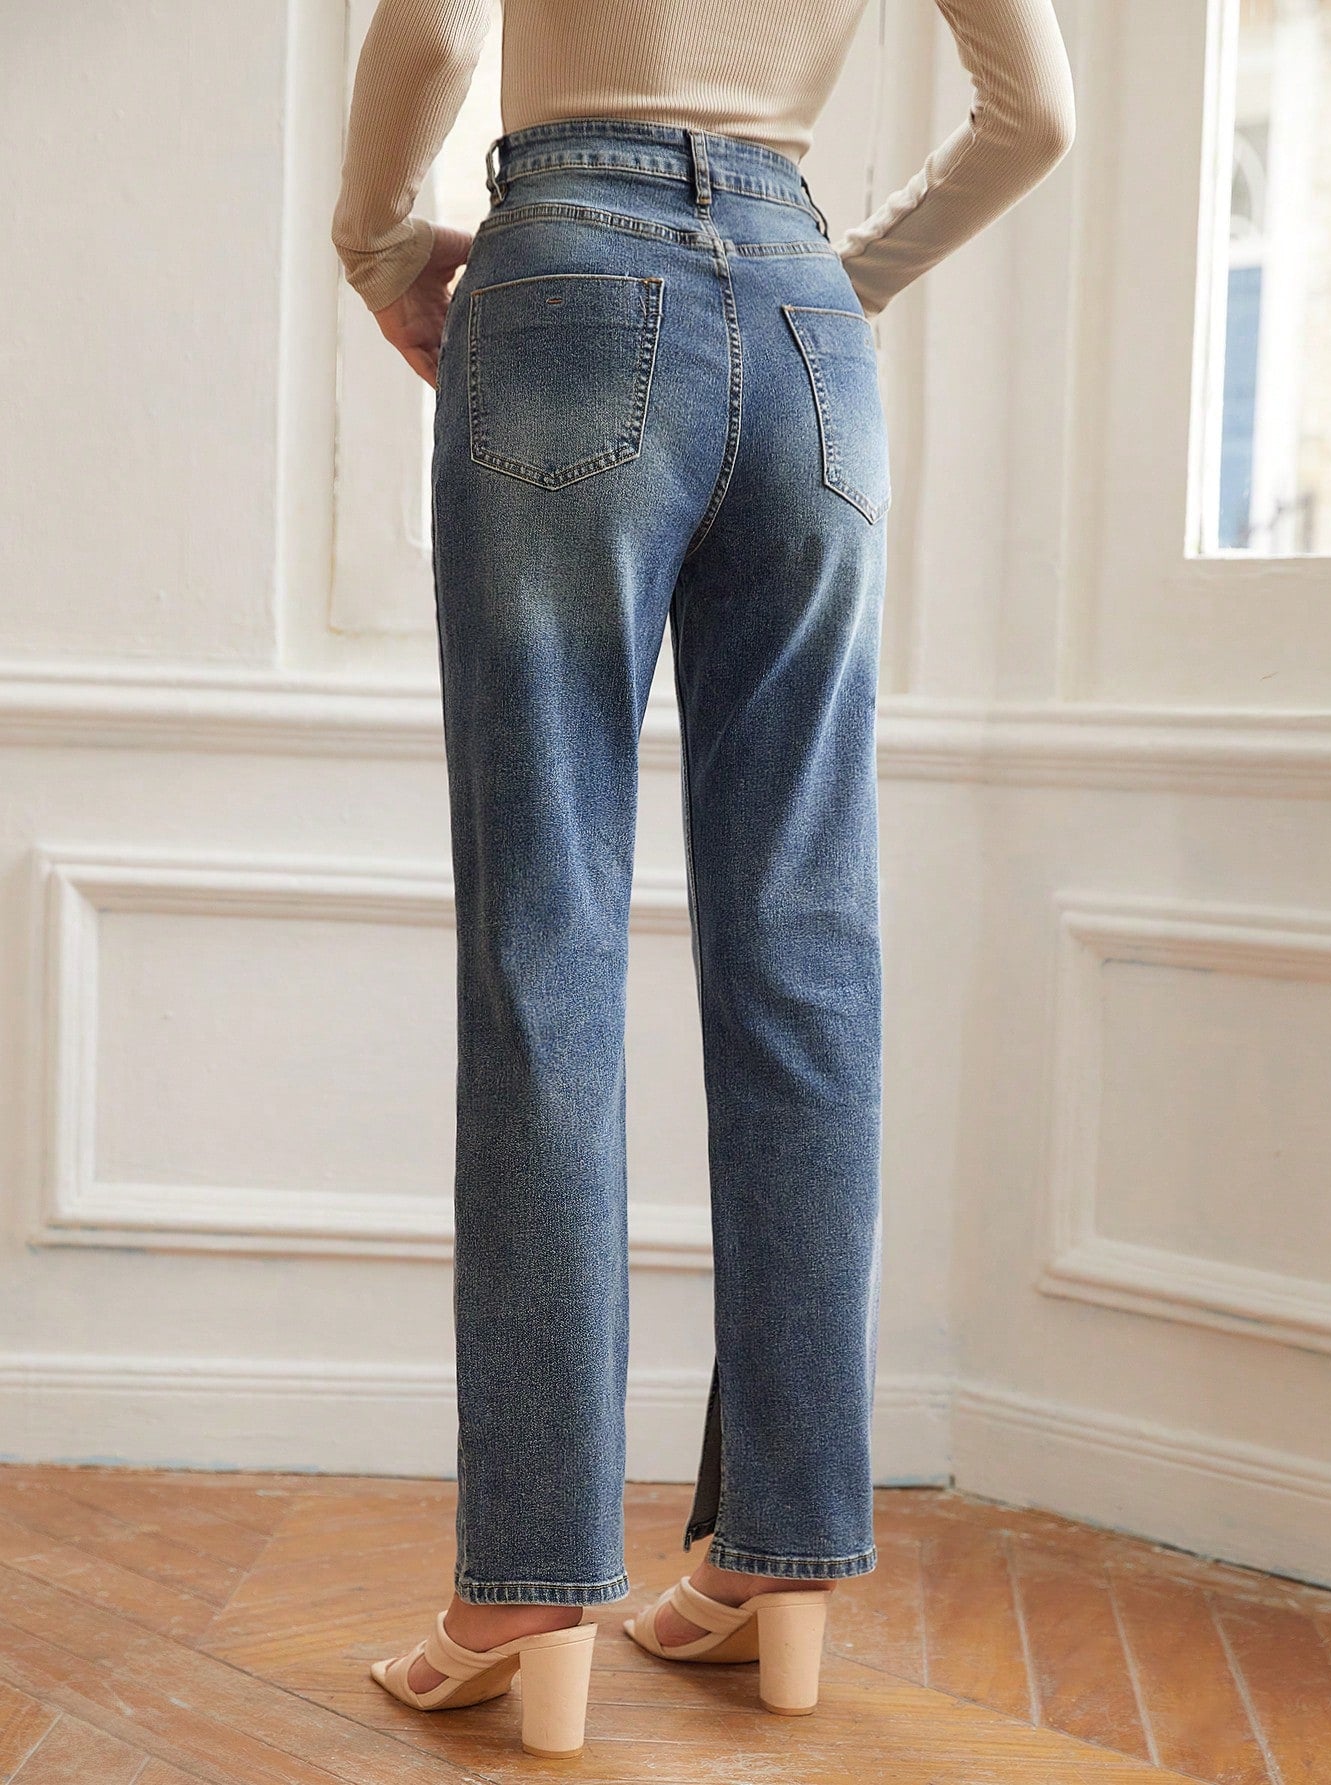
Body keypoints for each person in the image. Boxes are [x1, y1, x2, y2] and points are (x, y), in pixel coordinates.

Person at [332, 0, 1074, 1758]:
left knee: (547, 941)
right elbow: (1036, 116)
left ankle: (529, 1583)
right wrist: (828, 282)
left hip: (569, 286)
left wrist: (379, 244)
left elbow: (431, 28)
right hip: (808, 321)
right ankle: (778, 1560)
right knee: (805, 946)